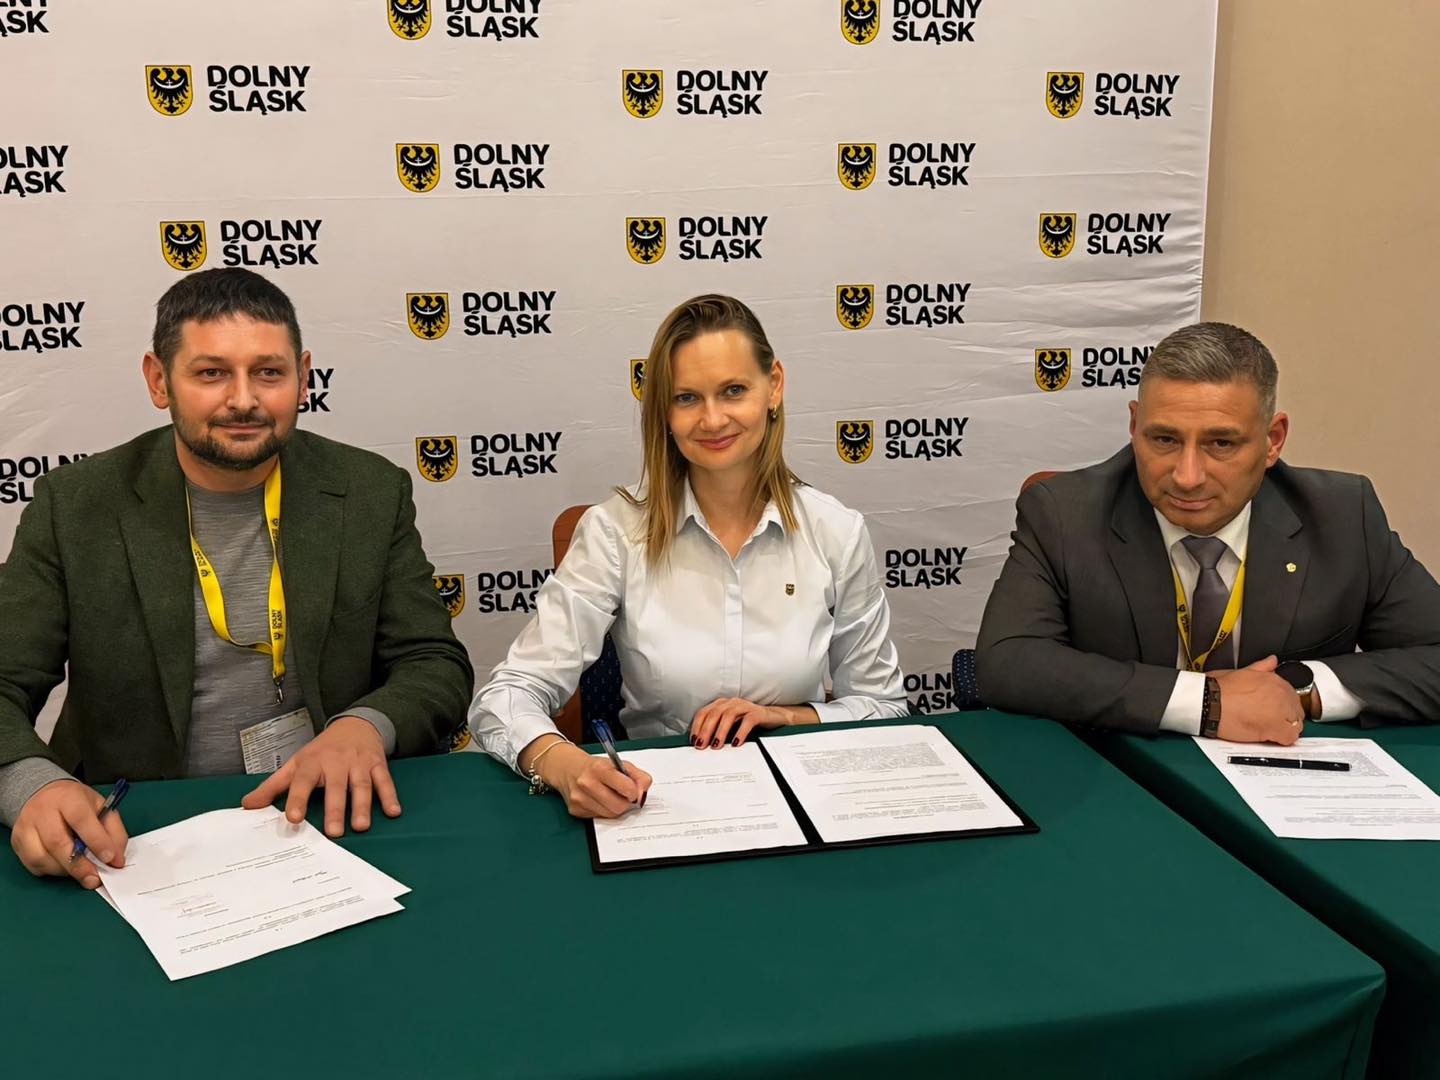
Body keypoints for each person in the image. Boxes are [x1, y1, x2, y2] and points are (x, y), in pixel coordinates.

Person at [0, 268, 473, 888]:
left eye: (269, 373)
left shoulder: (369, 491)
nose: (244, 400)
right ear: (159, 380)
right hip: (137, 833)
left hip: (324, 819)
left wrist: (366, 726)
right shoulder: (75, 505)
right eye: (212, 373)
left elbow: (433, 661)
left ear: (304, 377)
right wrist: (31, 784)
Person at [470, 294, 908, 817]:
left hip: (807, 803)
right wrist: (565, 766)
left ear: (774, 386)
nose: (713, 419)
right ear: (664, 412)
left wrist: (791, 716)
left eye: (734, 391)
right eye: (687, 398)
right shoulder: (615, 532)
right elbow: (507, 695)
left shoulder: (836, 530)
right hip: (658, 807)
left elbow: (884, 707)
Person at [976, 322, 1440, 743]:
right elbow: (1008, 662)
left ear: (1273, 440)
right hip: (1126, 773)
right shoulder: (1064, 513)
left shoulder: (1343, 516)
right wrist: (1206, 702)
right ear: (1134, 426)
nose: (1188, 476)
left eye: (1221, 443)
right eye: (1165, 439)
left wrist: (1298, 689)